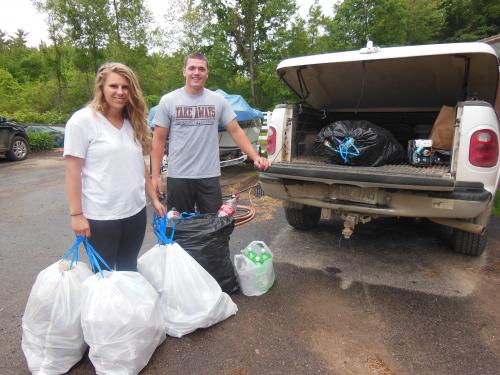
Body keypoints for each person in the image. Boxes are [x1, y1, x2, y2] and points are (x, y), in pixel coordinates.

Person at [64, 62, 166, 271]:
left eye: (125, 87)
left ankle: (129, 306)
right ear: (101, 87)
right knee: (104, 277)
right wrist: (76, 215)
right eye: (114, 86)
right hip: (101, 216)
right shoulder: (83, 121)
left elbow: (139, 165)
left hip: (134, 212)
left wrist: (154, 199)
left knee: (129, 269)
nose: (120, 92)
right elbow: (72, 171)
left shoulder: (134, 122)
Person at [150, 52, 270, 213]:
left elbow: (235, 131)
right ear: (184, 71)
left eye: (201, 69)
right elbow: (158, 139)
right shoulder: (169, 100)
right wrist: (155, 176)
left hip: (209, 176)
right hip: (178, 177)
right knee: (179, 228)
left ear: (207, 73)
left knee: (213, 227)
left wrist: (255, 157)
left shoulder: (217, 100)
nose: (196, 72)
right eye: (192, 68)